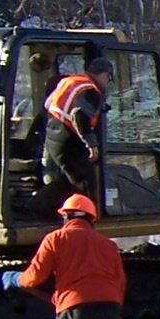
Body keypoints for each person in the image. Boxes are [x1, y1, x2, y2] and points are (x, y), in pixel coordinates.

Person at [42, 55, 112, 207]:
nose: (107, 83)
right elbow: (79, 115)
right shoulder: (91, 90)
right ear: (105, 75)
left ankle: (36, 206)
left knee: (68, 179)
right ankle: (87, 220)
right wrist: (92, 146)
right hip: (68, 139)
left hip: (52, 134)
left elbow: (49, 104)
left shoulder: (70, 81)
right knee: (85, 183)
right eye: (108, 79)